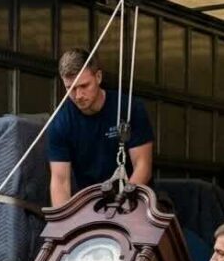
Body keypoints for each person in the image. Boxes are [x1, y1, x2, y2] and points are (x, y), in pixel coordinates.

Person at [47, 47, 155, 206]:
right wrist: (63, 226)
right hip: (92, 205)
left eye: (84, 86)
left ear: (98, 77)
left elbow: (143, 165)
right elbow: (60, 181)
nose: (78, 96)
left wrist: (123, 203)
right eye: (71, 88)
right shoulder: (60, 123)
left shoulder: (130, 108)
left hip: (135, 198)